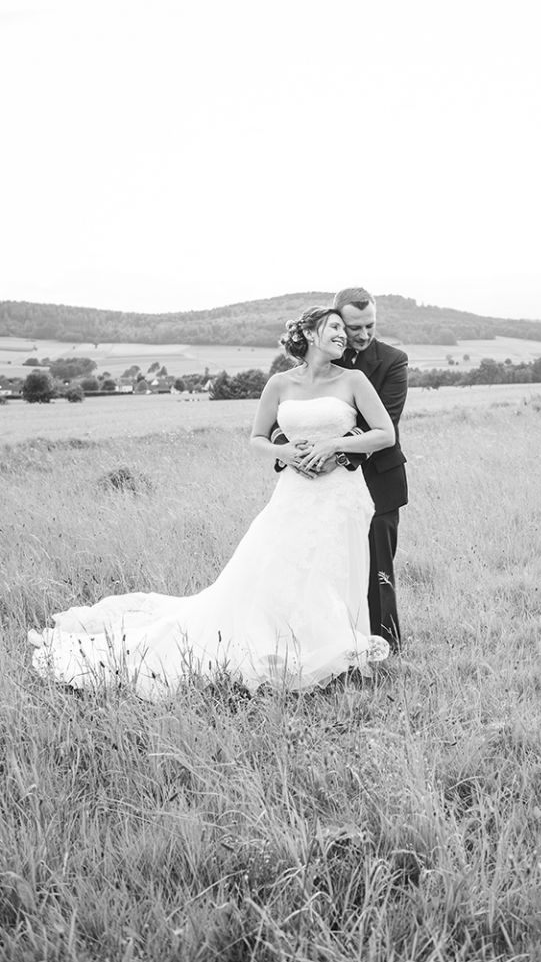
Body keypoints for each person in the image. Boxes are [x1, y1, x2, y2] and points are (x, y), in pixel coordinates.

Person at [28, 307, 394, 698]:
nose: (344, 335)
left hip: (340, 493)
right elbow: (257, 438)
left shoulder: (353, 380)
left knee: (333, 569)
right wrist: (284, 454)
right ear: (309, 333)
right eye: (335, 327)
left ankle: (332, 652)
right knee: (274, 570)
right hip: (294, 491)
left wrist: (334, 444)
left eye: (344, 328)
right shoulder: (279, 385)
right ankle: (282, 649)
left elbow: (384, 434)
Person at [274, 288, 408, 650]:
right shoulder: (319, 357)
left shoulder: (393, 361)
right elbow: (288, 411)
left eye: (371, 325)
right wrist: (291, 449)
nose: (363, 335)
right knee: (318, 561)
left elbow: (382, 422)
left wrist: (334, 454)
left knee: (376, 566)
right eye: (354, 327)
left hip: (377, 476)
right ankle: (321, 641)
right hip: (312, 481)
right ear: (334, 324)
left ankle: (384, 644)